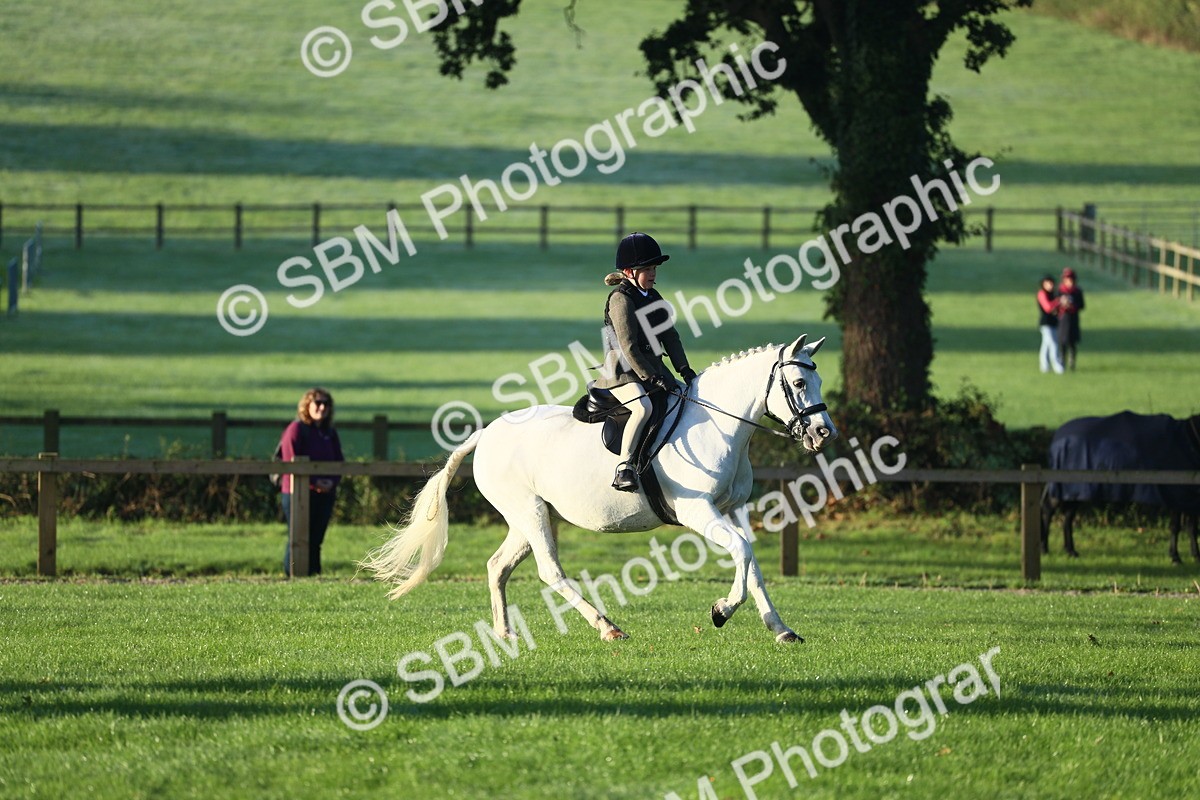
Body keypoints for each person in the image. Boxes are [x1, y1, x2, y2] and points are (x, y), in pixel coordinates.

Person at [593, 232, 696, 492]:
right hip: (623, 371)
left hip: (652, 368)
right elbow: (628, 346)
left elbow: (670, 337)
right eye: (647, 269)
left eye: (654, 268)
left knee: (683, 400)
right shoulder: (621, 299)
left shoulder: (654, 297)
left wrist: (684, 369)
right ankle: (624, 468)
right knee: (642, 408)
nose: (653, 274)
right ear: (629, 271)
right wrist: (651, 377)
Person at [278, 387, 344, 575]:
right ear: (307, 405)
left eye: (326, 404)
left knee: (316, 539)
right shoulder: (296, 429)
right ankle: (292, 574)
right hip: (298, 492)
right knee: (297, 537)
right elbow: (291, 461)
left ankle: (314, 575)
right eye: (318, 403)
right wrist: (315, 483)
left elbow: (339, 462)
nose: (322, 407)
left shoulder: (329, 433)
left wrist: (331, 482)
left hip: (325, 493)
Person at [1056, 267, 1085, 371]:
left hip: (1073, 320)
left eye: (1071, 279)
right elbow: (1056, 304)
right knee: (1063, 342)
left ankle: (1072, 362)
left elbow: (1082, 305)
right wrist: (1062, 304)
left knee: (1072, 343)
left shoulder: (1077, 292)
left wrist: (1072, 306)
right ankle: (1062, 361)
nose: (1069, 282)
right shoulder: (1060, 290)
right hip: (1063, 320)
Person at [1037, 275, 1063, 373]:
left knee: (1046, 345)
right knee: (1053, 344)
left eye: (1051, 283)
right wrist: (1058, 302)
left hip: (1054, 322)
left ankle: (1044, 367)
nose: (1050, 286)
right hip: (1046, 323)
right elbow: (1047, 308)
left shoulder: (1054, 294)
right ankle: (1057, 366)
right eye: (1048, 283)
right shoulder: (1042, 294)